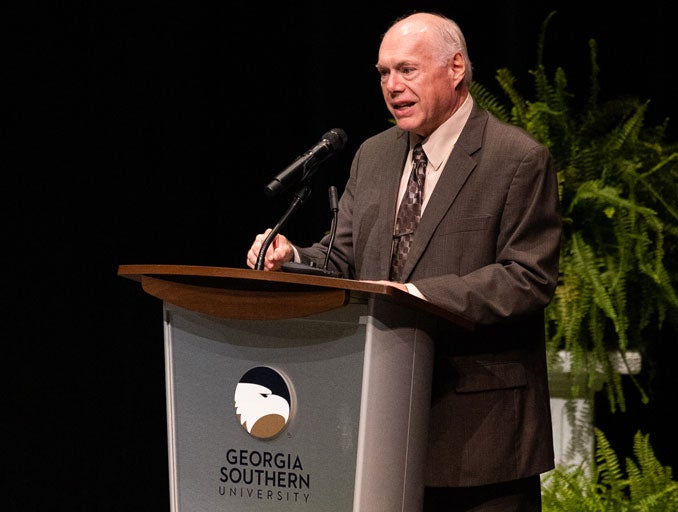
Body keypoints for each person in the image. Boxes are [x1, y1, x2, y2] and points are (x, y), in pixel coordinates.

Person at [246, 11, 561, 512]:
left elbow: (528, 277)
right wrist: (293, 257)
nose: (392, 86)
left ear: (456, 68)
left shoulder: (517, 159)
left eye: (407, 70)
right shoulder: (373, 156)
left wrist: (418, 297)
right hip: (379, 423)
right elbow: (344, 257)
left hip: (479, 434)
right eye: (383, 73)